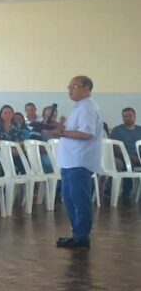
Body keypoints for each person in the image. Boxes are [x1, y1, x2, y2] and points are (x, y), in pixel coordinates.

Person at [53, 76, 103, 249]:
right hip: (70, 160)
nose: (70, 90)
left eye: (74, 86)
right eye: (69, 86)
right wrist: (61, 128)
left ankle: (81, 237)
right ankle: (77, 234)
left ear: (87, 88)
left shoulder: (88, 107)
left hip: (80, 161)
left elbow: (86, 133)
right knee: (69, 198)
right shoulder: (79, 107)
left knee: (79, 200)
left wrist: (62, 133)